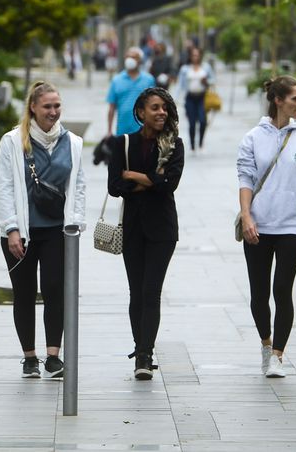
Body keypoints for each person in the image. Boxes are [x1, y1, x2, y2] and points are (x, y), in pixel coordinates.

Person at [0, 81, 87, 379]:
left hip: (56, 231)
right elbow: (5, 187)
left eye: (57, 106)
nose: (53, 112)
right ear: (33, 108)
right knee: (24, 293)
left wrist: (75, 223)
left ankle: (53, 355)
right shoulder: (12, 141)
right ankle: (29, 357)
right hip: (21, 231)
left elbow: (79, 185)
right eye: (47, 106)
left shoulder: (72, 142)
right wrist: (11, 229)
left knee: (54, 290)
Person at [236, 75, 296, 378]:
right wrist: (246, 216)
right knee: (259, 294)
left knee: (282, 290)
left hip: (292, 227)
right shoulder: (253, 138)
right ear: (278, 100)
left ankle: (278, 356)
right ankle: (266, 343)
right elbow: (245, 178)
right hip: (258, 225)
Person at [107, 87, 184, 380]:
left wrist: (135, 176)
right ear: (140, 112)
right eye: (155, 107)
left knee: (151, 292)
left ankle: (144, 354)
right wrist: (152, 180)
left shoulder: (175, 145)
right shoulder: (122, 144)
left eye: (164, 108)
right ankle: (140, 348)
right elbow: (114, 186)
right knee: (136, 293)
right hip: (133, 228)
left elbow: (169, 184)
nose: (161, 112)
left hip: (163, 230)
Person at [105, 47, 156, 137]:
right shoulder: (117, 80)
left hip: (144, 131)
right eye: (128, 57)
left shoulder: (149, 80)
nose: (130, 59)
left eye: (134, 57)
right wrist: (109, 130)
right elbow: (112, 107)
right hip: (122, 131)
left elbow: (154, 105)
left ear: (140, 60)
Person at [176, 47, 216, 153]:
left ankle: (201, 143)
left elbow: (213, 80)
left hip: (202, 97)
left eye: (197, 55)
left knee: (203, 121)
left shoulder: (206, 67)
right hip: (190, 98)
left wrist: (206, 81)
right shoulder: (185, 69)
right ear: (190, 56)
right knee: (192, 122)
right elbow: (180, 84)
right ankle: (193, 145)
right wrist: (174, 99)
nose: (195, 57)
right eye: (193, 55)